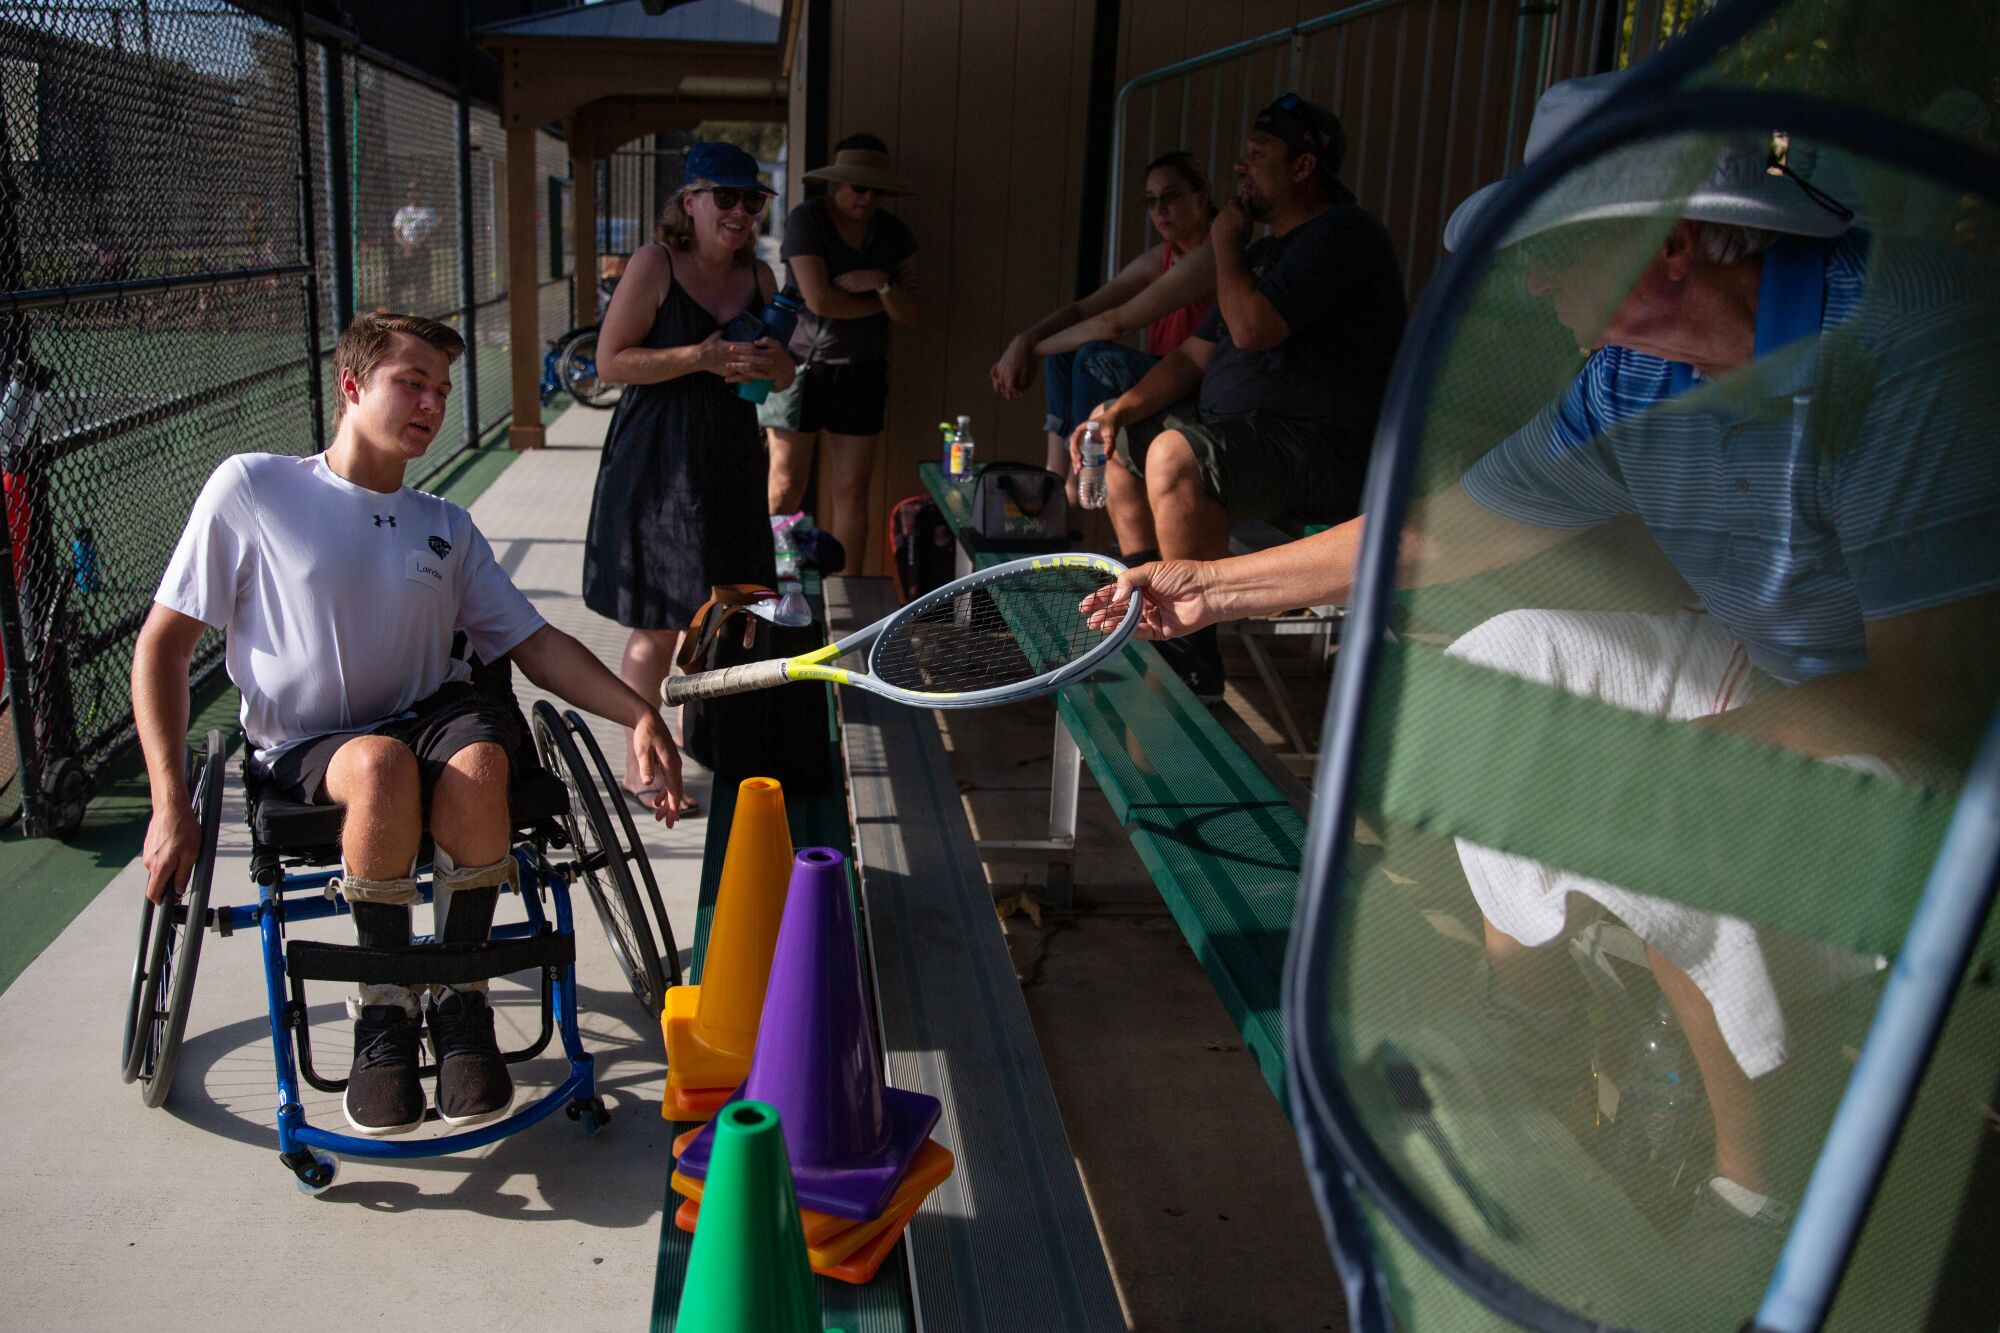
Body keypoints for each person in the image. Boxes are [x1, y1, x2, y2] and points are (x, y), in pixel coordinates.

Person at [1085, 71, 2000, 1292]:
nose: (1524, 284)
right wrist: (1200, 586)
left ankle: (1752, 1195)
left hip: (1951, 743)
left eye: (1547, 253)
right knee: (1499, 674)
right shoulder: (1636, 372)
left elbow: (1925, 699)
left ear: (1668, 245)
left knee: (1660, 791)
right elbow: (1435, 535)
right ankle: (1548, 1057)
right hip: (1789, 662)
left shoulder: (1899, 345)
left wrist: (1666, 758)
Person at [134, 311, 686, 1138]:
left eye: (442, 389)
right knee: (381, 767)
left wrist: (638, 709)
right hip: (308, 743)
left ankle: (462, 1001)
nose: (432, 402)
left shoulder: (446, 525)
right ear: (353, 387)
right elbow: (162, 648)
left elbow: (534, 644)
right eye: (412, 383)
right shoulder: (253, 490)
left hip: (432, 716)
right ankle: (384, 1010)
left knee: (483, 760)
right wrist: (170, 799)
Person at [1070, 95, 1406, 697]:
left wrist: (1225, 239)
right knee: (1123, 440)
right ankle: (1140, 610)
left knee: (1175, 455)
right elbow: (1192, 357)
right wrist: (1113, 413)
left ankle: (1190, 656)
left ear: (1303, 168)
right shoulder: (1270, 251)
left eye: (1256, 155)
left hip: (1323, 454)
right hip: (1255, 443)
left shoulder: (1343, 234)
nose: (1239, 168)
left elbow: (1253, 329)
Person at [585, 141, 793, 811]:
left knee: (731, 615)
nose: (739, 212)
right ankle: (640, 766)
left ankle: (697, 742)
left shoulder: (760, 280)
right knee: (660, 624)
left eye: (752, 200)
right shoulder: (655, 265)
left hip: (732, 463)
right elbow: (611, 362)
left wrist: (771, 367)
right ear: (690, 202)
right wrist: (699, 356)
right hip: (659, 462)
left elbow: (787, 370)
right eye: (725, 197)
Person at [991, 150, 1218, 498]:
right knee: (1064, 352)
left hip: (1190, 382)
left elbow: (1115, 324)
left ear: (1201, 196)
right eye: (1151, 201)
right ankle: (1056, 478)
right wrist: (1027, 338)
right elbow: (1085, 310)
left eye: (1170, 196)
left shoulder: (1214, 252)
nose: (1159, 209)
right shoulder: (1162, 256)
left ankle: (1076, 490)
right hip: (1161, 372)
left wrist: (1031, 350)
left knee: (1093, 355)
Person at [761, 134, 920, 574]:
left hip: (862, 371)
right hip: (797, 368)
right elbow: (820, 301)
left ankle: (847, 594)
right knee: (785, 486)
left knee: (852, 490)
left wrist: (881, 283)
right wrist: (882, 302)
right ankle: (773, 583)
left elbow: (910, 311)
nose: (867, 198)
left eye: (876, 189)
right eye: (857, 187)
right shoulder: (807, 221)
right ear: (836, 184)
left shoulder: (893, 233)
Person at [390, 181, 439, 312]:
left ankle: (421, 311)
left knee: (422, 283)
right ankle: (397, 309)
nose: (413, 193)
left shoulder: (428, 211)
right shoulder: (403, 212)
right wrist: (406, 246)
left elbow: (429, 232)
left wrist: (416, 245)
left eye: (416, 190)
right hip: (404, 251)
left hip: (421, 251)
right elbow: (397, 233)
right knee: (399, 282)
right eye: (410, 191)